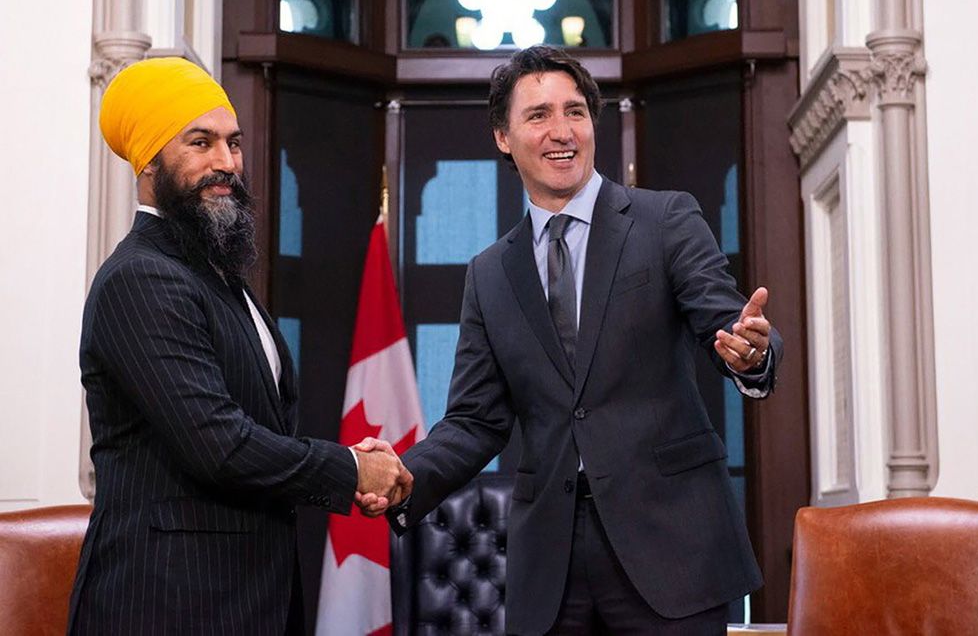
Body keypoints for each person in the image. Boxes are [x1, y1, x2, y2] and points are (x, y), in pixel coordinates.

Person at [363, 45, 781, 635]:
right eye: (538, 116)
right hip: (551, 563)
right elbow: (475, 421)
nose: (562, 131)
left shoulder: (665, 220)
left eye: (576, 111)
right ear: (504, 137)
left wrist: (753, 353)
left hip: (672, 548)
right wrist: (407, 473)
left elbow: (730, 322)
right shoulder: (489, 272)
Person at [68, 57, 410, 635]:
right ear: (148, 159)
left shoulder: (214, 275)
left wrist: (349, 465)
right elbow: (219, 444)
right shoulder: (143, 278)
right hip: (169, 604)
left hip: (250, 597)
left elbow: (258, 431)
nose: (225, 163)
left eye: (233, 143)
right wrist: (349, 469)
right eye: (200, 143)